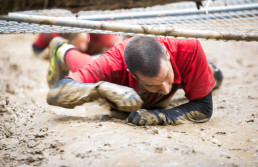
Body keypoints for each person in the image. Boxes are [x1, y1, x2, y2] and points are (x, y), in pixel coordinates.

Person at [46, 36, 223, 126]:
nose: (165, 89)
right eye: (152, 84)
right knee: (86, 63)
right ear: (131, 73)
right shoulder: (112, 65)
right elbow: (55, 94)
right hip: (111, 68)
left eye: (167, 78)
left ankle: (203, 67)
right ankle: (62, 49)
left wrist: (159, 116)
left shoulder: (188, 47)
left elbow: (204, 108)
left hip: (180, 57)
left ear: (167, 55)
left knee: (216, 77)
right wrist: (100, 89)